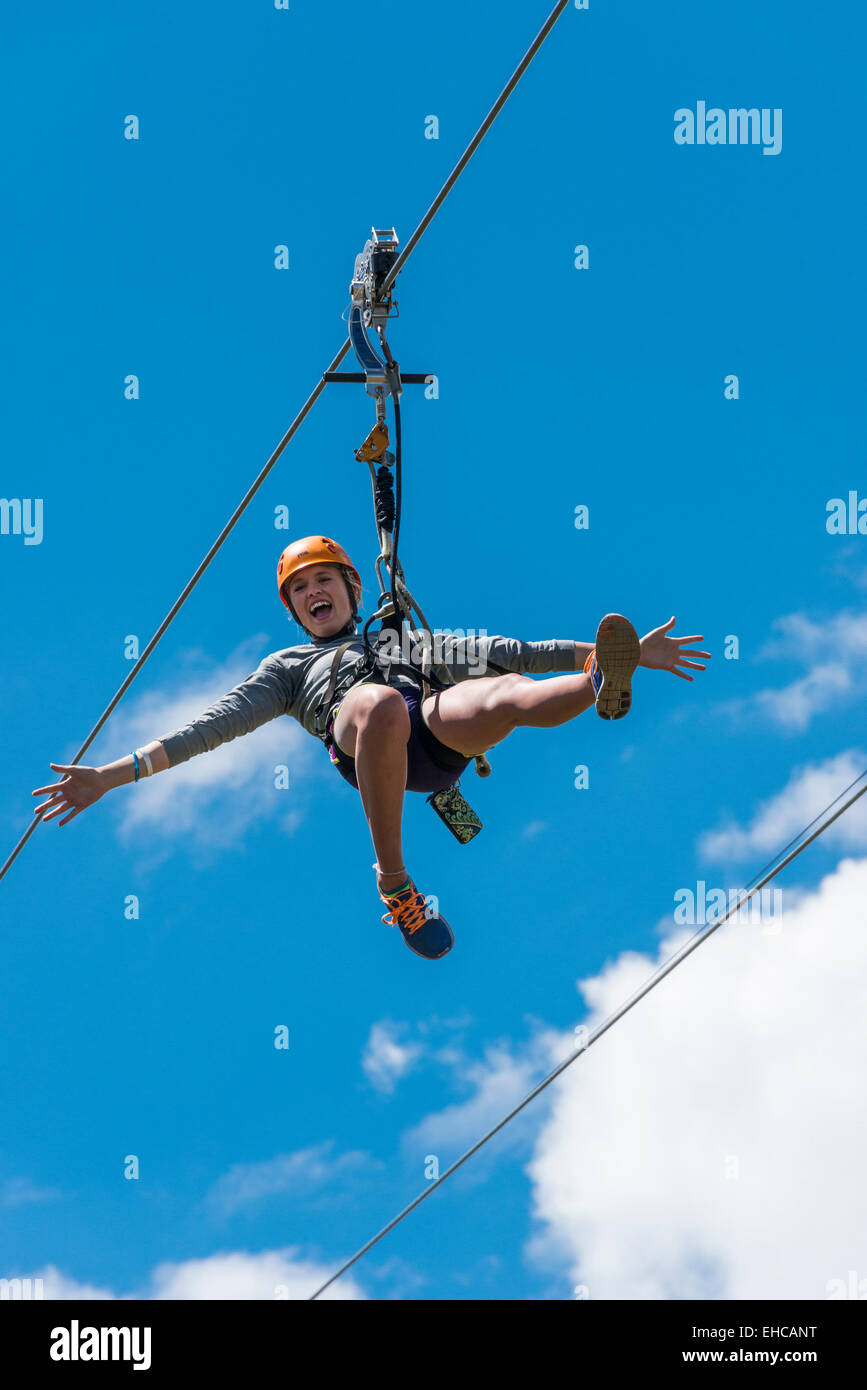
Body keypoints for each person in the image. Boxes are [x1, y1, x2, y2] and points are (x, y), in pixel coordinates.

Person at [32, 535, 710, 961]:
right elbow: (212, 726)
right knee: (381, 703)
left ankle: (600, 683)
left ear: (351, 589)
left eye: (322, 579)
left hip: (434, 733)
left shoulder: (403, 642)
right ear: (293, 612)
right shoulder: (288, 668)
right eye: (299, 589)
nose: (312, 592)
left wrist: (618, 655)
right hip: (366, 742)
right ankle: (395, 883)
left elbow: (515, 652)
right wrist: (111, 777)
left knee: (501, 693)